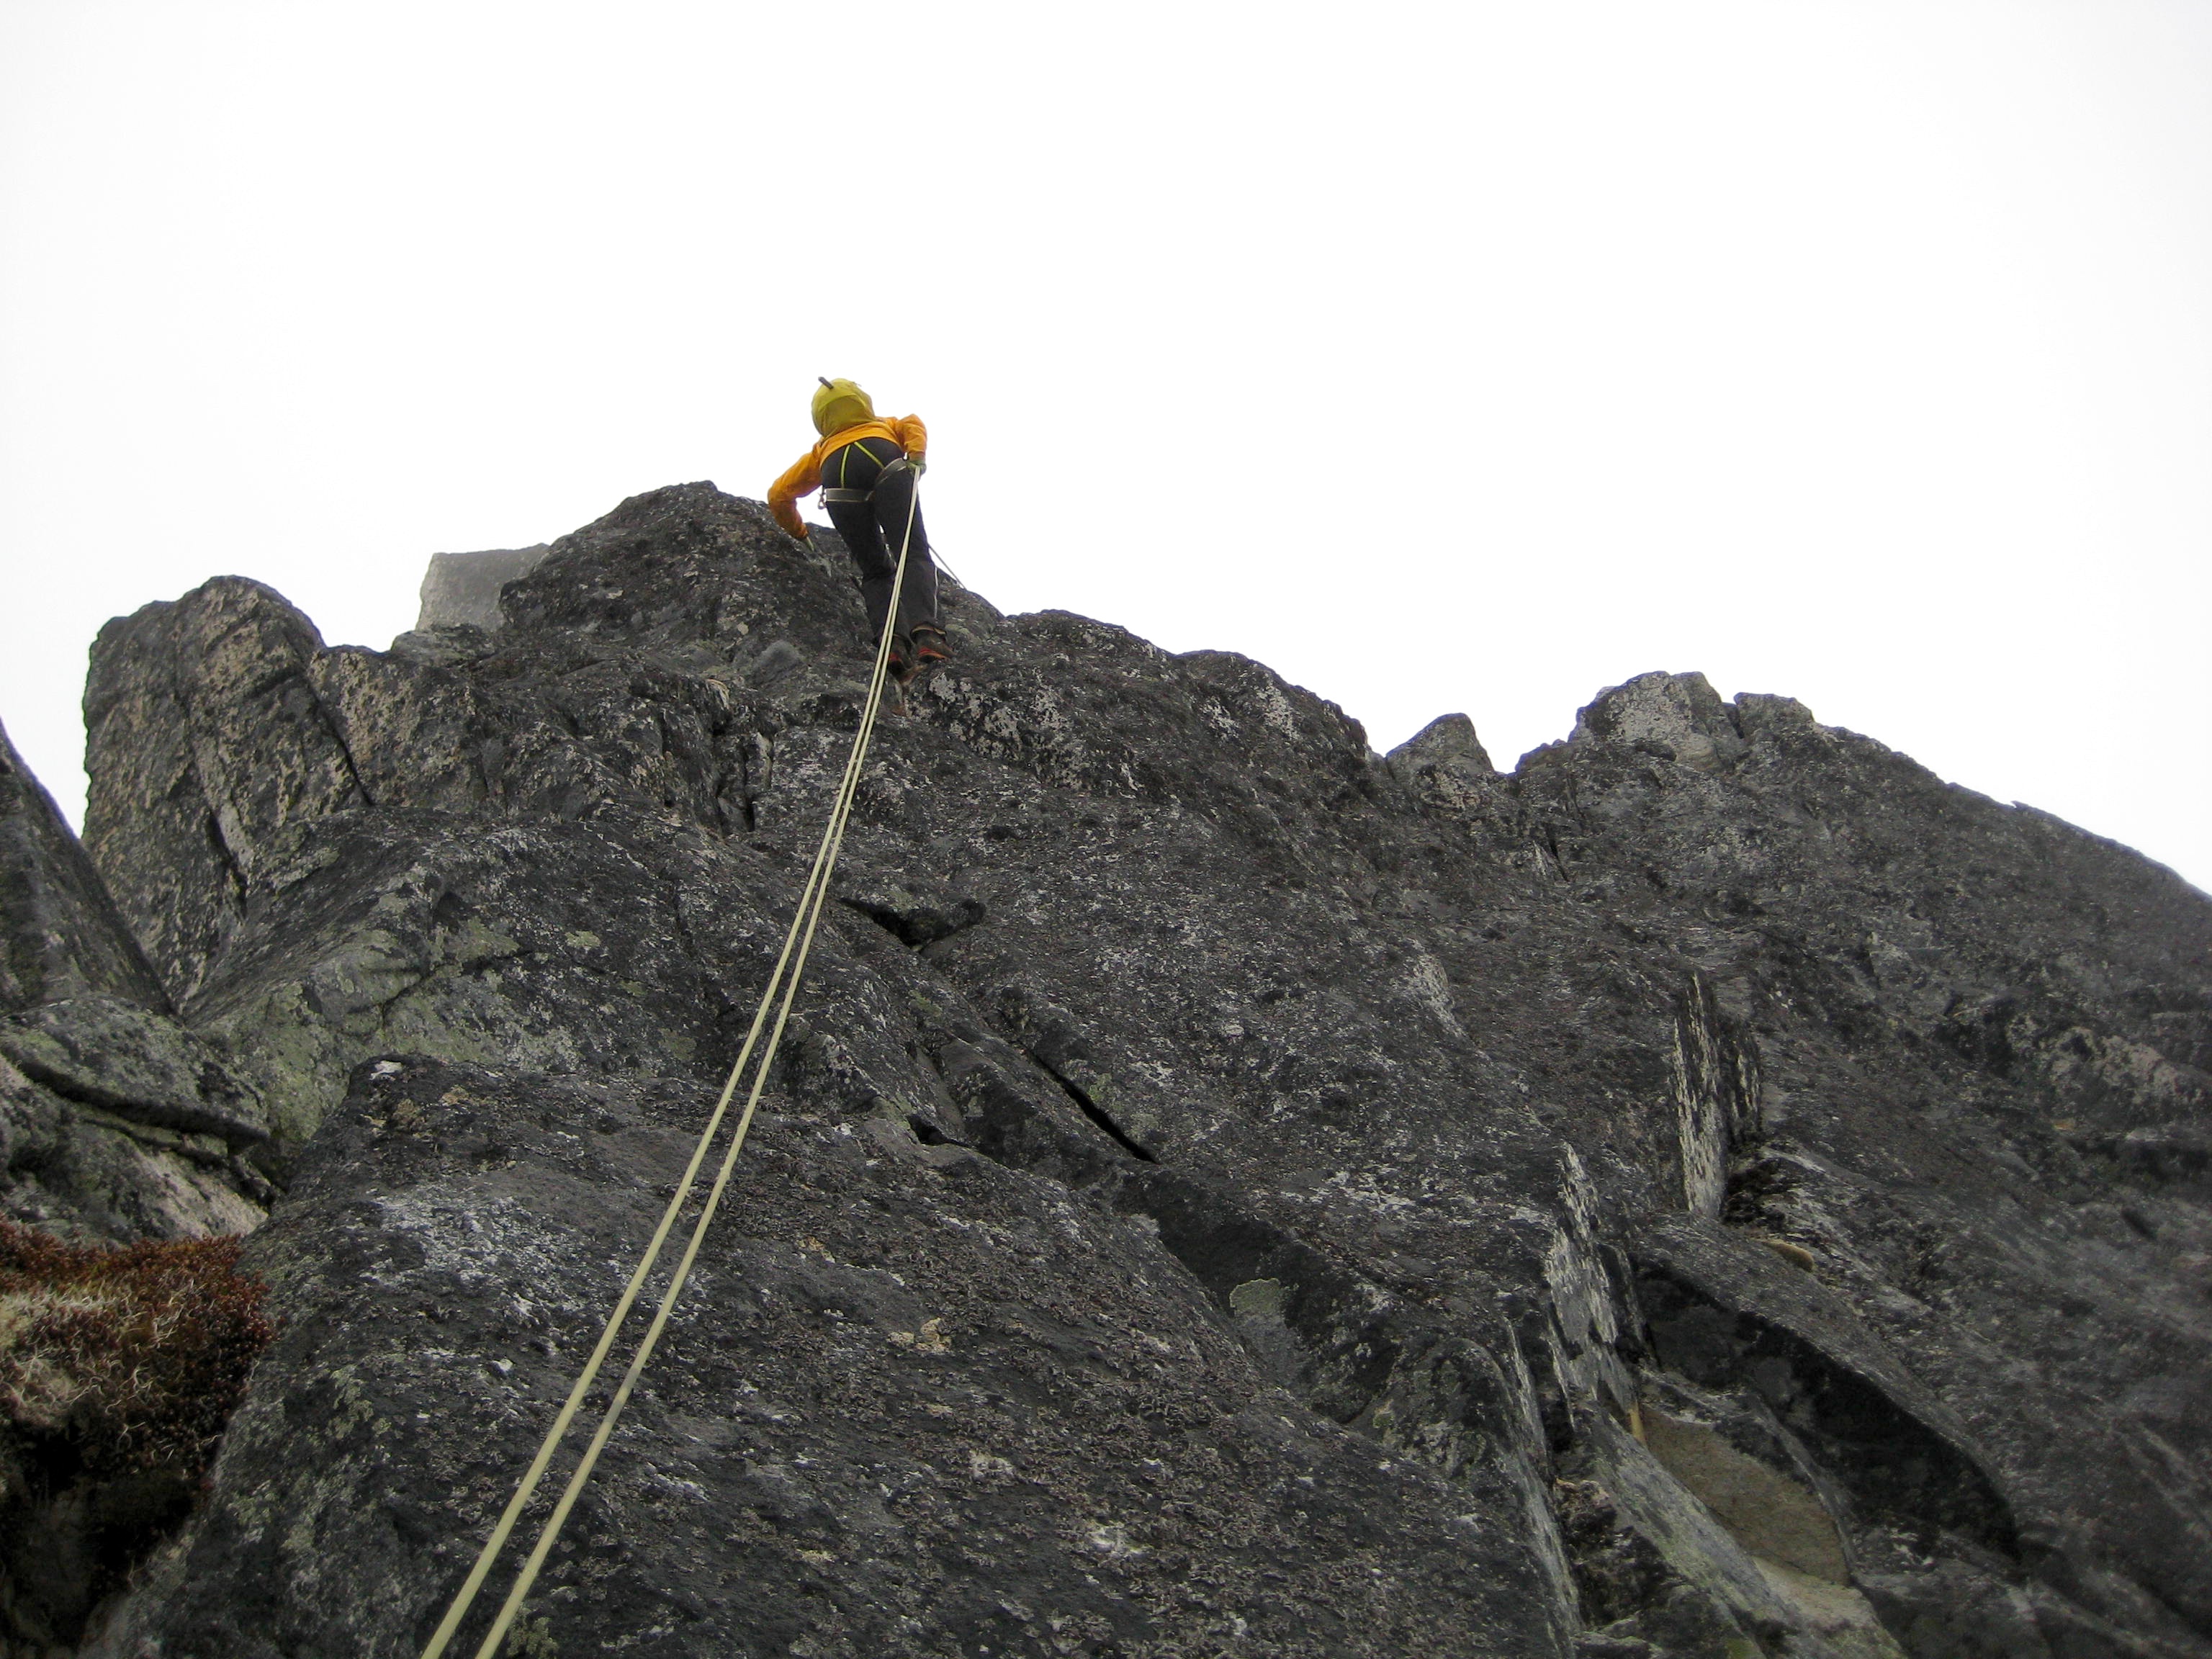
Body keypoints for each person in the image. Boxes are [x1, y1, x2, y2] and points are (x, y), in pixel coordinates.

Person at [768, 377, 949, 676]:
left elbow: (778, 495)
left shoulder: (821, 449)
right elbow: (913, 423)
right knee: (912, 552)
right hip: (885, 459)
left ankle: (892, 645)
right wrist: (917, 456)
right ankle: (928, 634)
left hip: (837, 472)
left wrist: (800, 533)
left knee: (876, 571)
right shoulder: (884, 424)